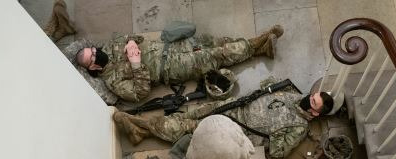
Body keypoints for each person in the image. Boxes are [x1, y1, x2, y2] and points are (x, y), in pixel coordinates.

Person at [114, 84, 334, 159]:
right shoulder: (293, 93)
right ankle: (142, 133)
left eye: (312, 103)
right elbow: (267, 87)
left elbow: (277, 151)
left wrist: (270, 131)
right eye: (312, 95)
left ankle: (138, 124)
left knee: (185, 126)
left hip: (233, 128)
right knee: (188, 116)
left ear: (314, 114)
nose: (308, 98)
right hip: (231, 105)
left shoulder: (299, 127)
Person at [74, 26, 284, 103]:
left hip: (169, 46)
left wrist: (130, 41)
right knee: (215, 55)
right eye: (91, 57)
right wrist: (137, 64)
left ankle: (261, 48)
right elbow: (140, 93)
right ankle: (259, 41)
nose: (96, 53)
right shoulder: (113, 81)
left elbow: (132, 36)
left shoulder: (109, 47)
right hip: (171, 68)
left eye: (92, 49)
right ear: (92, 68)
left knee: (215, 42)